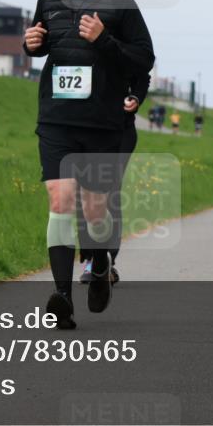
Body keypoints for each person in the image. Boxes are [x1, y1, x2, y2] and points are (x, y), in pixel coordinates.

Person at [23, 0, 155, 329]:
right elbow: (43, 44)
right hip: (56, 120)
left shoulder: (121, 4)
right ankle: (62, 296)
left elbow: (143, 59)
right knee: (61, 201)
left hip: (102, 123)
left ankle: (100, 264)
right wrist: (30, 45)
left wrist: (103, 40)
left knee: (95, 209)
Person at [79, 72, 150, 285]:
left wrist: (136, 97)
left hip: (120, 130)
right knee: (84, 194)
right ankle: (90, 257)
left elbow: (143, 74)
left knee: (110, 191)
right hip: (83, 128)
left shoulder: (125, 51)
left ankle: (106, 258)